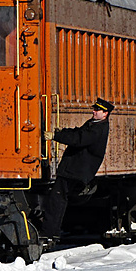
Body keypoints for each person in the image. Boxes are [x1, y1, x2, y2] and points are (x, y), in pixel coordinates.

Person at [41, 97, 114, 248]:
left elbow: (79, 139)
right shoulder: (94, 124)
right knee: (58, 199)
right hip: (73, 170)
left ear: (105, 113)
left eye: (97, 110)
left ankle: (49, 233)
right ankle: (50, 232)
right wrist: (61, 132)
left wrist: (55, 136)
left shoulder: (98, 128)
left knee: (57, 199)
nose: (94, 111)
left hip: (76, 171)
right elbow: (78, 132)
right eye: (94, 109)